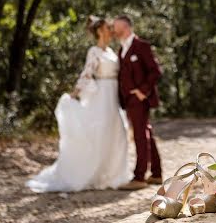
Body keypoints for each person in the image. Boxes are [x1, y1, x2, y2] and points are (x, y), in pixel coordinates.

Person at [26, 16, 130, 192]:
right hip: (101, 95)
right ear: (99, 31)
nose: (111, 31)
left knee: (118, 133)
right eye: (107, 28)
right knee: (100, 134)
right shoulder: (94, 51)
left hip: (114, 96)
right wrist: (75, 94)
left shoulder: (112, 52)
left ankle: (111, 174)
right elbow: (86, 74)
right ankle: (93, 174)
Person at [113, 15, 163, 190]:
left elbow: (155, 71)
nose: (114, 29)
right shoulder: (121, 50)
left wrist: (142, 91)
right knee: (146, 131)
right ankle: (156, 174)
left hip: (140, 99)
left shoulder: (142, 46)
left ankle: (139, 177)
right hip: (129, 100)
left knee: (140, 135)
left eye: (116, 26)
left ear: (126, 27)